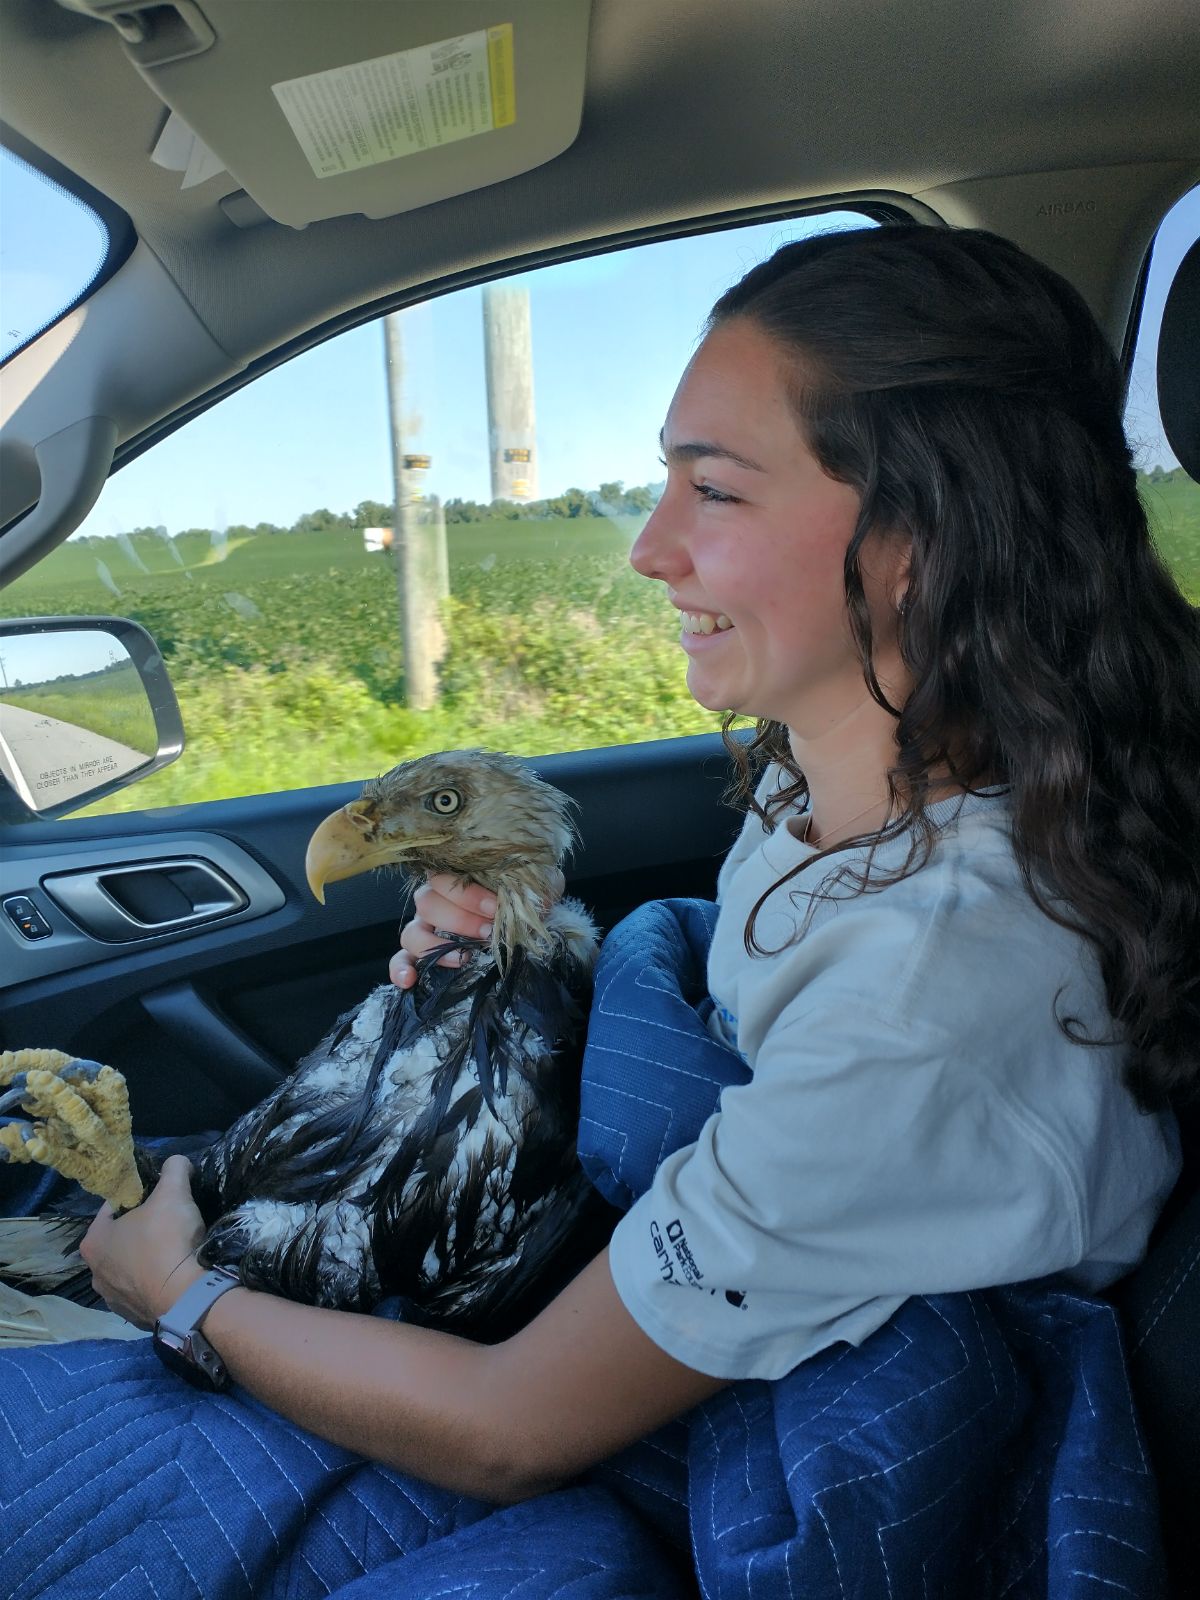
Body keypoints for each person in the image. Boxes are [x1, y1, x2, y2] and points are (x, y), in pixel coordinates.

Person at [78, 225, 1197, 1500]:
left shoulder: (926, 996)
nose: (649, 548)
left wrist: (180, 1294)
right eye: (666, 481)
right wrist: (518, 969)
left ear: (923, 533)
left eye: (713, 490)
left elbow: (510, 1428)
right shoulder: (834, 778)